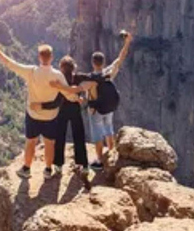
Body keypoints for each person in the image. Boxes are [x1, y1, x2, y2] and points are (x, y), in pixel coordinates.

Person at [0, 41, 70, 179]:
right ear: (52, 57)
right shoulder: (58, 76)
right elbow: (68, 94)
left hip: (33, 115)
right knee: (49, 143)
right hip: (50, 117)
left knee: (30, 141)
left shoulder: (31, 71)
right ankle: (48, 170)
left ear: (39, 57)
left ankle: (26, 168)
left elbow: (10, 63)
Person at [86, 32, 133, 171]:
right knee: (108, 129)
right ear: (103, 62)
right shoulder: (108, 73)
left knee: (97, 134)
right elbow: (120, 58)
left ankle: (100, 161)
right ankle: (111, 153)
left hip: (96, 110)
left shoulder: (90, 78)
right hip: (109, 107)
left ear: (93, 63)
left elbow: (86, 94)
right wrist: (127, 43)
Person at [42, 56, 97, 176]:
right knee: (79, 136)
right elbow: (92, 77)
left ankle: (58, 165)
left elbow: (53, 96)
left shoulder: (59, 80)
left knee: (60, 136)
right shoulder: (78, 77)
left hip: (61, 110)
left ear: (61, 67)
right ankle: (84, 165)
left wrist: (42, 106)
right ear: (74, 67)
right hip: (75, 109)